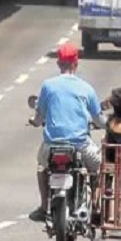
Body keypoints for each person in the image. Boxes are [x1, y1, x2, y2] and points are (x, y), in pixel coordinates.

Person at [27, 42, 105, 222]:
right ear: (76, 63)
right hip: (81, 145)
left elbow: (39, 117)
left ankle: (44, 207)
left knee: (42, 168)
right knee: (100, 167)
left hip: (52, 146)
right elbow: (99, 120)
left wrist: (34, 122)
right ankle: (96, 205)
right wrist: (109, 125)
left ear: (58, 63)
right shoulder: (86, 88)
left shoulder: (48, 86)